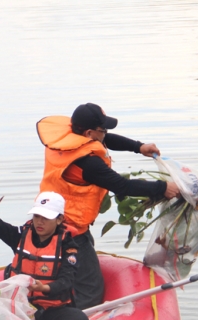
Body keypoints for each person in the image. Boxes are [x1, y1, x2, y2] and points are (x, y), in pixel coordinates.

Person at [37, 103, 181, 309]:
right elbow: (122, 186)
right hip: (71, 229)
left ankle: (55, 303)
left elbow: (105, 140)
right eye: (103, 129)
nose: (106, 133)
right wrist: (163, 187)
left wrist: (138, 147)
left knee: (65, 274)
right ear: (88, 132)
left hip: (47, 216)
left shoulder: (62, 142)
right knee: (91, 289)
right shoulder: (89, 164)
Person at [0, 191, 90, 320]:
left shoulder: (68, 247)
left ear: (59, 220)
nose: (39, 222)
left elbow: (67, 280)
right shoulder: (20, 236)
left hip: (49, 311)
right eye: (36, 216)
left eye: (46, 218)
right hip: (18, 308)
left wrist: (43, 288)